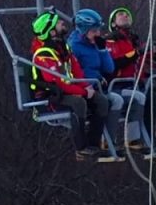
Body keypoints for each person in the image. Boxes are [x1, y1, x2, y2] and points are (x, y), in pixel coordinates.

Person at [29, 10, 110, 162]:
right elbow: (57, 82)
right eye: (58, 23)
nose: (62, 23)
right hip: (51, 97)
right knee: (78, 102)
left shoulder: (64, 49)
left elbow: (76, 71)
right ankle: (81, 148)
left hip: (66, 91)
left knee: (102, 101)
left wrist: (86, 87)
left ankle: (94, 144)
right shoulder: (44, 54)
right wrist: (83, 92)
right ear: (52, 31)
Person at [106, 6, 156, 150]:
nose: (125, 16)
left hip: (138, 85)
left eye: (127, 14)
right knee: (152, 99)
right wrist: (136, 53)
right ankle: (148, 140)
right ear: (113, 23)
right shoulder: (110, 42)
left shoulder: (134, 42)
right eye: (120, 15)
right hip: (120, 86)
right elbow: (114, 65)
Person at [66, 8, 127, 153]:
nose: (98, 34)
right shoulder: (74, 47)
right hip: (87, 87)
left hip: (99, 86)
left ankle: (109, 140)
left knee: (120, 100)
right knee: (112, 100)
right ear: (84, 31)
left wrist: (102, 50)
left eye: (98, 30)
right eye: (94, 31)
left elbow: (109, 68)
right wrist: (89, 83)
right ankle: (100, 142)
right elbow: (75, 71)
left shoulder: (95, 44)